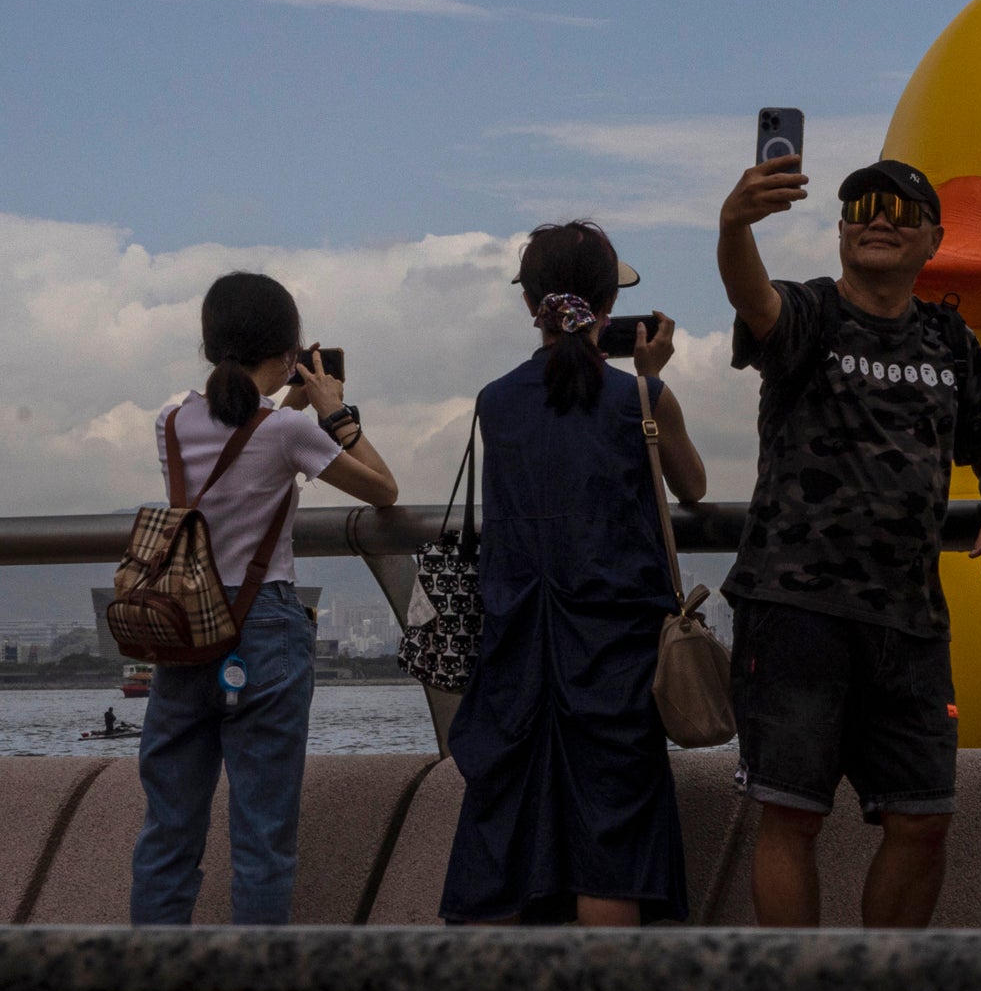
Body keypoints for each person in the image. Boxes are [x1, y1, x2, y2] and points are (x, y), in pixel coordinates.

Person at [714, 153, 981, 927]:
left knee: (924, 819)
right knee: (791, 814)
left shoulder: (950, 340)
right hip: (795, 610)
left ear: (933, 240)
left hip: (910, 623)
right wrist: (734, 225)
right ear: (840, 234)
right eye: (861, 208)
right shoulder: (810, 316)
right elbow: (751, 297)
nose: (879, 220)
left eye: (898, 209)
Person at [441, 225, 708, 927]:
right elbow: (693, 488)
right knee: (611, 840)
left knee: (510, 834)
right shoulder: (637, 399)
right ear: (610, 305)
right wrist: (652, 379)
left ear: (531, 305)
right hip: (614, 653)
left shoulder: (495, 402)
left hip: (517, 652)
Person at [132, 273, 400, 925]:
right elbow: (384, 490)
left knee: (169, 830)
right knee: (261, 837)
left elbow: (234, 448)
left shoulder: (171, 423)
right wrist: (334, 412)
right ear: (287, 354)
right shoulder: (289, 432)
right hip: (264, 631)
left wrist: (289, 405)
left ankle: (146, 986)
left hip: (183, 626)